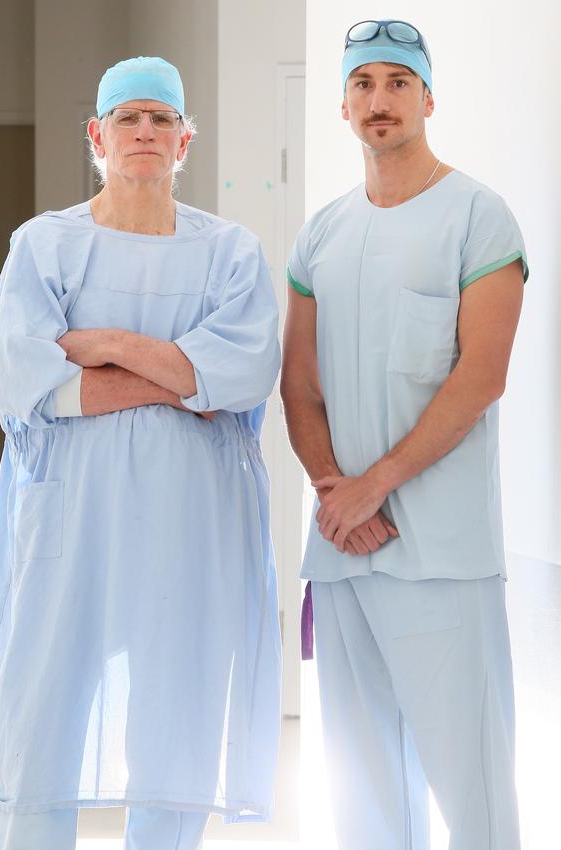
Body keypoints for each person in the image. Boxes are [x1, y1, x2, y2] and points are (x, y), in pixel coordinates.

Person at [0, 56, 282, 850]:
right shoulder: (43, 247)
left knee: (176, 721)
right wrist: (182, 373)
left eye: (162, 119)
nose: (145, 132)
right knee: (43, 718)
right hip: (71, 521)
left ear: (184, 143)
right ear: (96, 136)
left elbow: (241, 374)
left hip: (190, 527)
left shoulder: (230, 254)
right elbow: (25, 381)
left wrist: (98, 343)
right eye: (129, 118)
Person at [282, 20, 527, 850]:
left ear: (428, 98)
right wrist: (334, 491)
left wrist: (372, 485)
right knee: (363, 799)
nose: (378, 99)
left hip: (442, 559)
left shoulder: (478, 219)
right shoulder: (320, 234)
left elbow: (480, 378)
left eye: (396, 82)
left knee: (476, 794)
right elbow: (300, 384)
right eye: (362, 83)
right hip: (345, 552)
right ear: (342, 104)